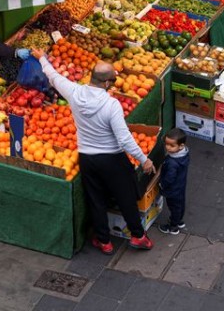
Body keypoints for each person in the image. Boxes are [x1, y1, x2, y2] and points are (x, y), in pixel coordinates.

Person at [31, 49, 156, 254]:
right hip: (112, 159)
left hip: (87, 158)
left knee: (96, 199)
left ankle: (104, 241)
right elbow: (124, 139)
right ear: (107, 84)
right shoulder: (111, 104)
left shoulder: (74, 91)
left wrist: (42, 58)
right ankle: (138, 236)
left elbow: (53, 76)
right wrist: (144, 160)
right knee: (125, 196)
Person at [158, 128, 190, 235]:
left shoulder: (172, 163)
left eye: (172, 146)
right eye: (166, 144)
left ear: (180, 146)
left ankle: (173, 226)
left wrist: (162, 184)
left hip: (173, 189)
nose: (168, 147)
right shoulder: (184, 154)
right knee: (180, 204)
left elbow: (169, 178)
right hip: (180, 185)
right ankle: (179, 221)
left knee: (173, 206)